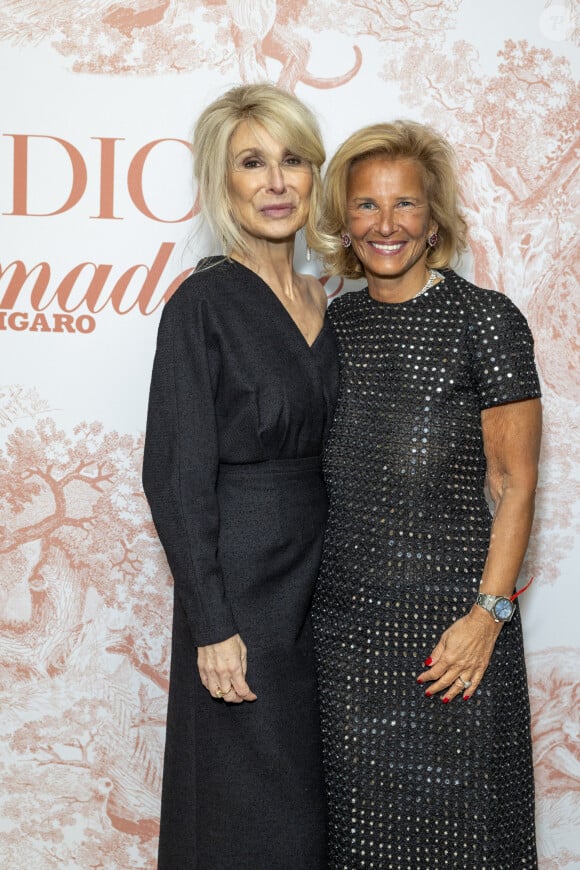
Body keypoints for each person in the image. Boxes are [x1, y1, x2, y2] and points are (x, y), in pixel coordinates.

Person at [312, 120, 542, 868]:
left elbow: (514, 482)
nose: (386, 225)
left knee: (467, 839)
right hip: (347, 642)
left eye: (405, 204)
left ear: (434, 217)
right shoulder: (327, 325)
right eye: (367, 206)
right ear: (344, 222)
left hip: (457, 639)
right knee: (361, 846)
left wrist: (488, 615)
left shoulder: (486, 321)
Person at [142, 83, 338, 869]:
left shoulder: (330, 299)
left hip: (329, 582)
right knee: (247, 803)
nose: (277, 181)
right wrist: (212, 622)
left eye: (292, 160)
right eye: (252, 163)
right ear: (221, 183)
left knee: (317, 799)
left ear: (316, 175)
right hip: (243, 589)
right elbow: (174, 475)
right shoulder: (202, 306)